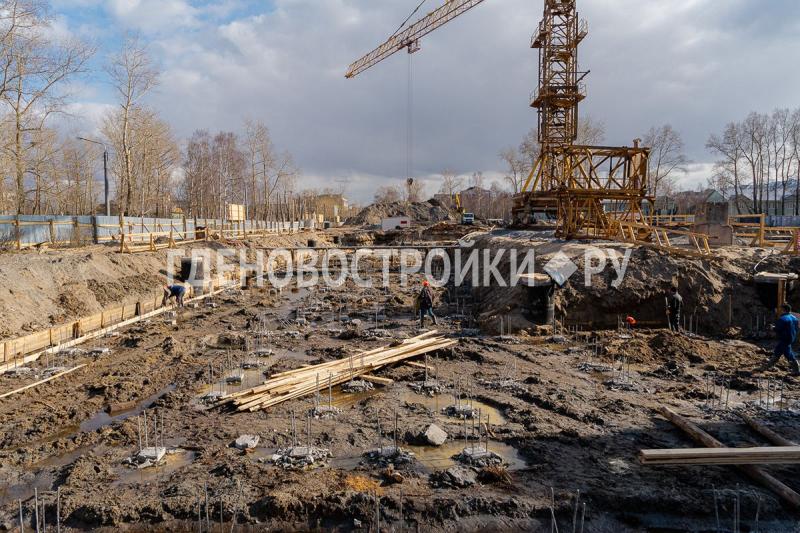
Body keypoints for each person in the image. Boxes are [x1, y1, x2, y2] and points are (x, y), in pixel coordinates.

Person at [762, 304, 800, 376]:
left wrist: (772, 327)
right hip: (791, 338)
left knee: (788, 354)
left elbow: (778, 329)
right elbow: (796, 328)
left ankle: (796, 370)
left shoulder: (782, 319)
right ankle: (766, 367)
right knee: (777, 351)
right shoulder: (794, 318)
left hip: (784, 339)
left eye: (781, 309)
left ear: (783, 310)